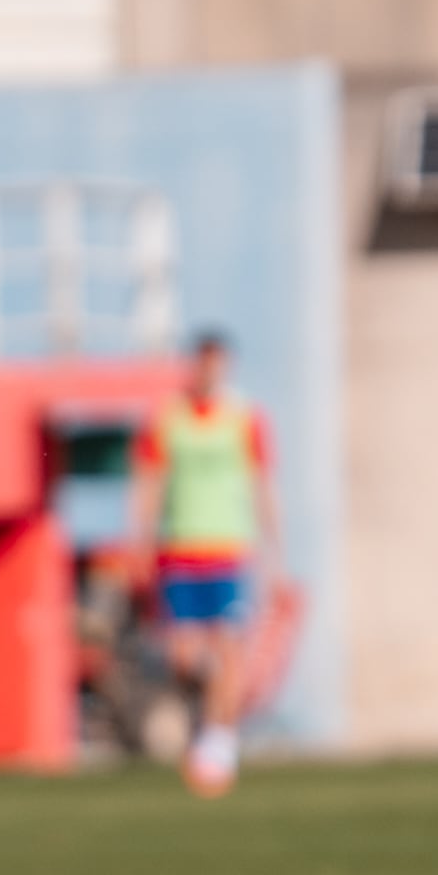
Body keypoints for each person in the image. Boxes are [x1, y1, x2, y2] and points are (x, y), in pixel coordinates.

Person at [126, 327, 285, 796]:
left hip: (229, 549)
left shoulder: (243, 417)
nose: (210, 371)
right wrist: (139, 541)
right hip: (179, 549)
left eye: (218, 363)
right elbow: (149, 482)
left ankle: (218, 743)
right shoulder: (168, 418)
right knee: (184, 657)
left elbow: (262, 486)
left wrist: (275, 555)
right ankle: (208, 717)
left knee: (230, 648)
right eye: (203, 362)